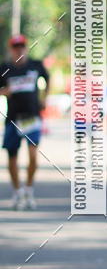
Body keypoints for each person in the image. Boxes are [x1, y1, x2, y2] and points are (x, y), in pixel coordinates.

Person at [0, 34, 50, 210]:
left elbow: (47, 79)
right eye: (15, 46)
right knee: (12, 157)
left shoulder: (35, 65)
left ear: (26, 48)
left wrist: (45, 97)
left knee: (33, 156)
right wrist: (4, 91)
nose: (19, 49)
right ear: (11, 49)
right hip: (13, 118)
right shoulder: (5, 68)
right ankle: (17, 192)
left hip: (31, 117)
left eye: (22, 46)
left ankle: (29, 189)